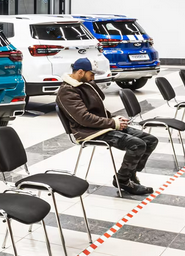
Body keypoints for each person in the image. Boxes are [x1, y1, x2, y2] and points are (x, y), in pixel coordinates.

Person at [57, 57, 158, 197]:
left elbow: (98, 108)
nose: (93, 77)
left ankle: (130, 173)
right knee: (137, 145)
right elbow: (84, 119)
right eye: (91, 74)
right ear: (80, 72)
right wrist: (113, 123)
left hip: (102, 125)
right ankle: (123, 181)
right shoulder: (67, 91)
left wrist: (113, 119)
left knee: (150, 140)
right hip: (87, 131)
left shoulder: (86, 83)